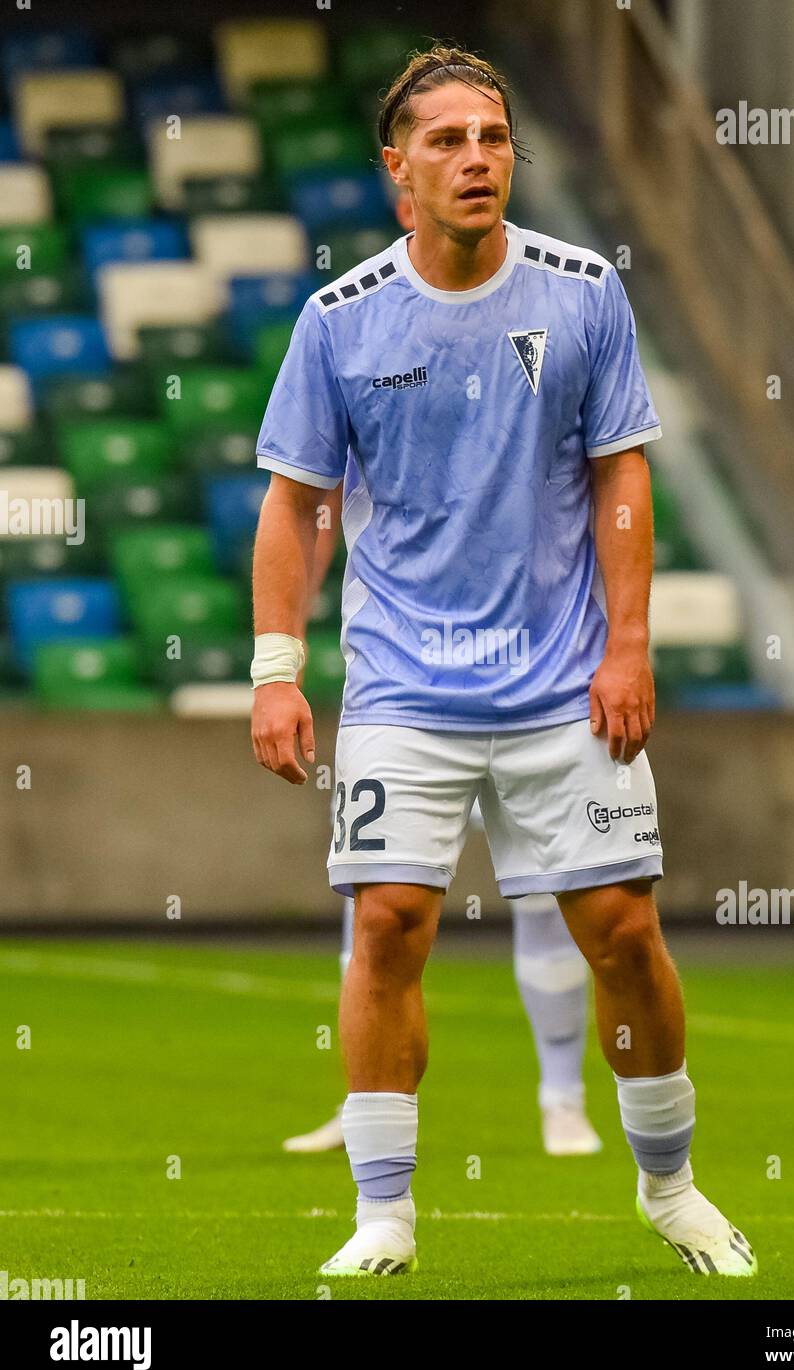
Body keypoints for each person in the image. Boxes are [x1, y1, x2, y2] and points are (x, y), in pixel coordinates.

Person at [251, 44, 756, 1280]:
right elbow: (295, 502)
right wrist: (275, 666)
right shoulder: (339, 320)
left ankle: (669, 1187)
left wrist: (627, 646)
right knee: (390, 923)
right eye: (446, 141)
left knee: (622, 933)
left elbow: (619, 474)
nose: (476, 157)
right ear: (396, 171)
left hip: (560, 680)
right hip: (402, 684)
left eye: (492, 136)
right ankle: (384, 1212)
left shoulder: (583, 291)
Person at [283, 496, 602, 1159]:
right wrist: (287, 635)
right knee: (376, 904)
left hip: (531, 687)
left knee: (548, 893)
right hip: (409, 693)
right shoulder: (378, 395)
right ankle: (361, 1101)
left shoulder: (529, 408)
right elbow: (310, 503)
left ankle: (563, 1098)